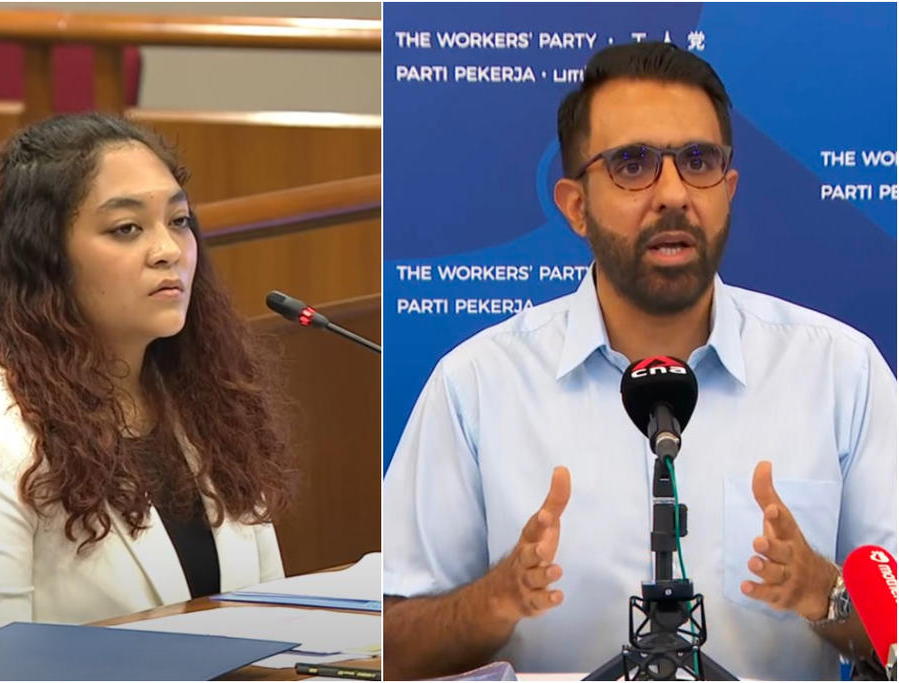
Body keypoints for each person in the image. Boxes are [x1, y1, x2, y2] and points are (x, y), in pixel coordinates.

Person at [383, 42, 896, 680]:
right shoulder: (480, 384)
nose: (674, 194)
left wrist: (822, 590)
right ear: (574, 207)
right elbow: (392, 645)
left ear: (728, 190)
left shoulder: (841, 372)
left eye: (698, 161)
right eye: (633, 164)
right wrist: (494, 602)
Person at [0, 113, 296, 659]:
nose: (168, 250)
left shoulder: (210, 404)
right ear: (46, 259)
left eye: (178, 221)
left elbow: (277, 623)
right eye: (126, 228)